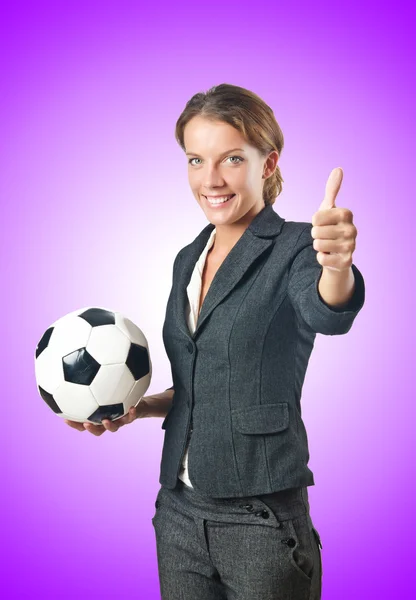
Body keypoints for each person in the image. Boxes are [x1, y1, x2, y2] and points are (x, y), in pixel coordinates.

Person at [66, 83, 365, 600]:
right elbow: (202, 385)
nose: (210, 179)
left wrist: (336, 265)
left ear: (267, 164)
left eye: (231, 158)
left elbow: (327, 311)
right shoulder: (189, 257)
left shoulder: (297, 245)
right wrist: (137, 407)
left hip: (260, 516)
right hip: (178, 513)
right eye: (195, 159)